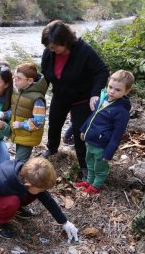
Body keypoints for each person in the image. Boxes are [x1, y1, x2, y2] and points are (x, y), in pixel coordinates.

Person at [40, 20, 109, 178]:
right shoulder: (49, 53)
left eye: (54, 46)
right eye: (49, 47)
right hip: (60, 95)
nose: (51, 50)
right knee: (54, 123)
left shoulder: (83, 51)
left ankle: (84, 166)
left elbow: (102, 71)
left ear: (65, 41)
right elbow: (45, 74)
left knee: (80, 132)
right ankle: (52, 148)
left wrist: (95, 93)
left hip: (81, 98)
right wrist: (39, 94)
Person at [0, 157, 79, 241]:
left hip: (11, 193)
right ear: (28, 184)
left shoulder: (29, 178)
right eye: (41, 189)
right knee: (13, 202)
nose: (43, 192)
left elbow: (48, 200)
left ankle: (14, 209)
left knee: (34, 194)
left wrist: (64, 222)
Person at [75, 70, 134, 195]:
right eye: (110, 87)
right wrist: (84, 129)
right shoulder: (103, 99)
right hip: (90, 140)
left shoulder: (121, 111)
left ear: (126, 91)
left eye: (118, 90)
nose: (112, 91)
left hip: (102, 145)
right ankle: (89, 181)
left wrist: (109, 153)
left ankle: (96, 186)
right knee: (89, 162)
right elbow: (92, 116)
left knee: (100, 167)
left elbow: (117, 135)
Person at [8, 62, 47, 162]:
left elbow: (38, 121)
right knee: (19, 161)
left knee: (19, 162)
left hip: (28, 136)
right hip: (19, 134)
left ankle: (20, 176)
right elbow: (16, 112)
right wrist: (5, 114)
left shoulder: (37, 98)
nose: (15, 80)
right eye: (14, 76)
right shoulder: (19, 92)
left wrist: (21, 125)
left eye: (19, 78)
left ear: (30, 81)